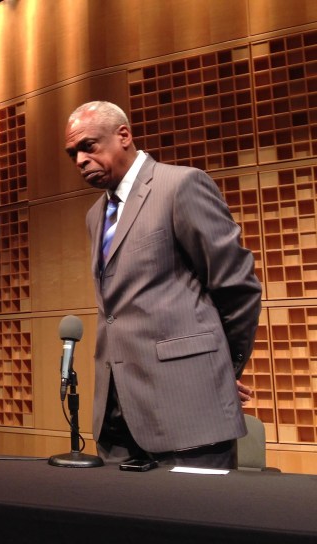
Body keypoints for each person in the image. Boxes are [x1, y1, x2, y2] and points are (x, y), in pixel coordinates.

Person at [64, 101, 261, 469]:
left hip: (188, 411)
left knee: (198, 524)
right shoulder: (96, 215)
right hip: (118, 418)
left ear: (123, 136)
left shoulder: (180, 185)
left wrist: (219, 371)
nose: (79, 160)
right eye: (73, 153)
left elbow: (237, 286)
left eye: (88, 146)